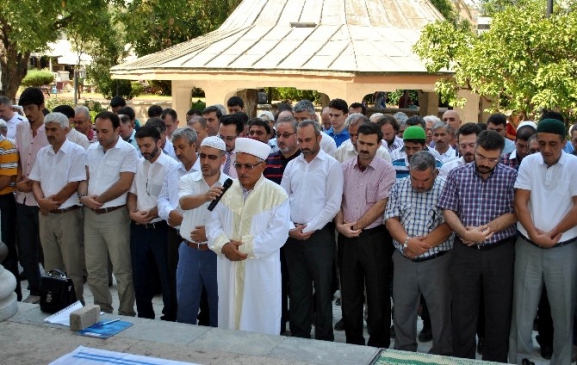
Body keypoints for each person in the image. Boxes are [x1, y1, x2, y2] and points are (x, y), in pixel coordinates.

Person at [438, 130, 517, 362]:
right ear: (475, 149)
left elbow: (515, 213)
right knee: (462, 312)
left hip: (499, 252)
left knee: (498, 313)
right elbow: (448, 209)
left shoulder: (511, 177)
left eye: (492, 159)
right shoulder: (457, 175)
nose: (485, 163)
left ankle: (495, 361)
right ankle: (462, 360)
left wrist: (483, 232)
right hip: (465, 254)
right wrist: (464, 233)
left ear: (501, 156)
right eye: (481, 156)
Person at [509, 119, 577, 365]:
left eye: (553, 144)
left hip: (564, 248)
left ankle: (561, 360)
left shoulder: (574, 165)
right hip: (528, 245)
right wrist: (535, 234)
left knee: (564, 313)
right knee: (522, 311)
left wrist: (553, 233)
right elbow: (520, 203)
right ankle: (520, 359)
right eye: (542, 143)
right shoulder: (529, 162)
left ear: (564, 142)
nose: (547, 149)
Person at [206, 137, 290, 335]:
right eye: (238, 165)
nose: (242, 171)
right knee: (229, 317)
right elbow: (212, 223)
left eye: (248, 166)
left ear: (263, 166)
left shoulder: (277, 194)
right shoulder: (225, 188)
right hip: (228, 265)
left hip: (259, 270)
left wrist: (240, 249)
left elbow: (277, 235)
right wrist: (224, 246)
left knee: (260, 318)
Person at [385, 151, 453, 355]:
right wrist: (407, 242)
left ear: (435, 173)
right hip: (404, 259)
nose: (419, 184)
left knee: (440, 311)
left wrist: (420, 246)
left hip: (438, 260)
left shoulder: (446, 188)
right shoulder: (399, 187)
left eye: (425, 180)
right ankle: (404, 351)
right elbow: (391, 219)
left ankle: (442, 353)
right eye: (415, 178)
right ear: (409, 172)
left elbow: (449, 223)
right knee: (403, 310)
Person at [281, 120, 344, 341]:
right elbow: (282, 199)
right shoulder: (292, 165)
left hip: (319, 236)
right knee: (297, 290)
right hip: (293, 237)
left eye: (308, 140)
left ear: (319, 138)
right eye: (300, 140)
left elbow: (333, 204)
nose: (304, 144)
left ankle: (324, 338)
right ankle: (300, 334)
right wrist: (291, 228)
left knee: (323, 290)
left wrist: (309, 228)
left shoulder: (331, 165)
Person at [337, 122, 396, 347]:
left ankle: (378, 343)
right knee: (350, 293)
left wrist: (356, 226)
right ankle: (353, 342)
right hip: (347, 238)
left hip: (375, 239)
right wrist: (340, 225)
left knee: (377, 294)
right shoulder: (343, 168)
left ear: (378, 145)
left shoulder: (386, 170)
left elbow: (382, 204)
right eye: (361, 142)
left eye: (370, 144)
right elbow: (337, 201)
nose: (364, 147)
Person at [79, 111, 138, 316]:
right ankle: (102, 308)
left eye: (105, 131)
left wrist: (99, 200)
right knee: (94, 269)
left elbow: (125, 183)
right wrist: (83, 197)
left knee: (121, 268)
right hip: (91, 215)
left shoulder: (128, 151)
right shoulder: (91, 149)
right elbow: (83, 178)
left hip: (115, 216)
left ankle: (126, 311)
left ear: (117, 130)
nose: (100, 135)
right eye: (97, 131)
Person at [29, 112, 86, 303]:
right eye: (47, 129)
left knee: (73, 267)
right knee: (51, 265)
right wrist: (41, 202)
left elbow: (74, 184)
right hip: (45, 216)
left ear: (65, 129)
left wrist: (50, 204)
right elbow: (34, 181)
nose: (50, 133)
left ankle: (76, 305)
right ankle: (56, 304)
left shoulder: (77, 152)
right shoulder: (42, 153)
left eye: (54, 129)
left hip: (67, 215)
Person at [128, 125, 178, 320]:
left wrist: (152, 213)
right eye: (140, 146)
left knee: (166, 274)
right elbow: (132, 193)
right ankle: (144, 314)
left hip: (161, 228)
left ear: (159, 142)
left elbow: (172, 200)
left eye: (147, 145)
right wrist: (132, 213)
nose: (143, 150)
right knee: (140, 274)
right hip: (139, 228)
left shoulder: (171, 166)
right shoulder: (140, 164)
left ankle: (170, 315)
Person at [177, 136, 228, 326]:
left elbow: (232, 223)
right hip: (189, 251)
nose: (206, 161)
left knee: (219, 307)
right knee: (185, 306)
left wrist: (210, 234)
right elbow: (184, 202)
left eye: (212, 157)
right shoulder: (188, 179)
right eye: (203, 156)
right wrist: (206, 196)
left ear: (223, 160)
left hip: (216, 254)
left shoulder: (232, 185)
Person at [157, 127, 204, 325]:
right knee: (175, 278)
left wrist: (185, 220)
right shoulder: (173, 169)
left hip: (198, 235)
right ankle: (178, 317)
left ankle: (206, 319)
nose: (177, 152)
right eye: (175, 148)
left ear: (194, 146)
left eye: (182, 147)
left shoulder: (206, 169)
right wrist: (170, 213)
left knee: (201, 283)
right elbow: (162, 199)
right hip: (174, 232)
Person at [15, 87, 49, 304]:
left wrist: (34, 185)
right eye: (25, 109)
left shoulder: (52, 129)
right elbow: (19, 156)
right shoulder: (20, 128)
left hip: (43, 198)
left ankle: (53, 288)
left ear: (41, 107)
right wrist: (19, 181)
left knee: (46, 250)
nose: (28, 113)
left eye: (31, 109)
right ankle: (35, 291)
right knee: (26, 249)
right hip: (22, 198)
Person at [0, 124, 21, 300]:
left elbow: (6, 179)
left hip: (4, 201)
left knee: (5, 248)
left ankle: (14, 294)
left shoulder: (6, 146)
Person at [218, 114, 244, 179]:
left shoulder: (246, 155)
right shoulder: (214, 152)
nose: (224, 142)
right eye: (221, 137)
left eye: (229, 138)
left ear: (240, 135)